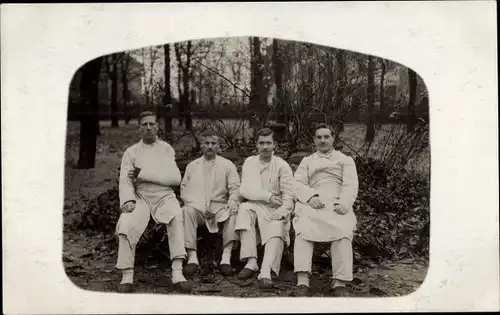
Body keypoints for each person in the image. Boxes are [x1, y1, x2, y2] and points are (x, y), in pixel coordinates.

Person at [114, 111, 191, 293]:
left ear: (157, 126)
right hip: (140, 196)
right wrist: (128, 200)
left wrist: (143, 174)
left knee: (176, 216)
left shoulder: (166, 149)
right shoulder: (131, 152)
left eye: (152, 124)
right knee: (126, 221)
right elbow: (125, 180)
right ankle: (127, 274)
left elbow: (174, 179)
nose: (148, 128)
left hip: (164, 195)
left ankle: (177, 272)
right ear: (139, 128)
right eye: (144, 125)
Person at [292, 123, 359, 297]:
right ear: (314, 140)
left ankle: (339, 281)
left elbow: (351, 184)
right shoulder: (307, 161)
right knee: (303, 226)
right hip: (313, 201)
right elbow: (297, 183)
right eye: (319, 137)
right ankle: (302, 280)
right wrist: (310, 197)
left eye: (326, 137)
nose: (323, 140)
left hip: (336, 201)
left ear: (333, 138)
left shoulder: (345, 160)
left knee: (343, 228)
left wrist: (345, 202)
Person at [235, 128, 295, 289]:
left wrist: (282, 212)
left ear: (275, 145)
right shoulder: (250, 162)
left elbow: (289, 196)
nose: (265, 147)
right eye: (262, 143)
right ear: (256, 144)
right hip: (255, 203)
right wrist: (267, 197)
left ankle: (266, 270)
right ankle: (251, 261)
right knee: (244, 210)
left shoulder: (282, 166)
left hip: (276, 207)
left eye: (269, 143)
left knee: (277, 224)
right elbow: (246, 190)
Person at [180, 130, 242, 277]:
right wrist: (200, 206)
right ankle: (192, 257)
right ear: (201, 146)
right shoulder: (192, 166)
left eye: (213, 143)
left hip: (220, 209)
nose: (209, 146)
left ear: (218, 146)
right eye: (206, 143)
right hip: (198, 209)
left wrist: (233, 201)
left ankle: (226, 258)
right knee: (186, 211)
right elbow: (185, 190)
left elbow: (235, 188)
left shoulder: (227, 165)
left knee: (233, 213)